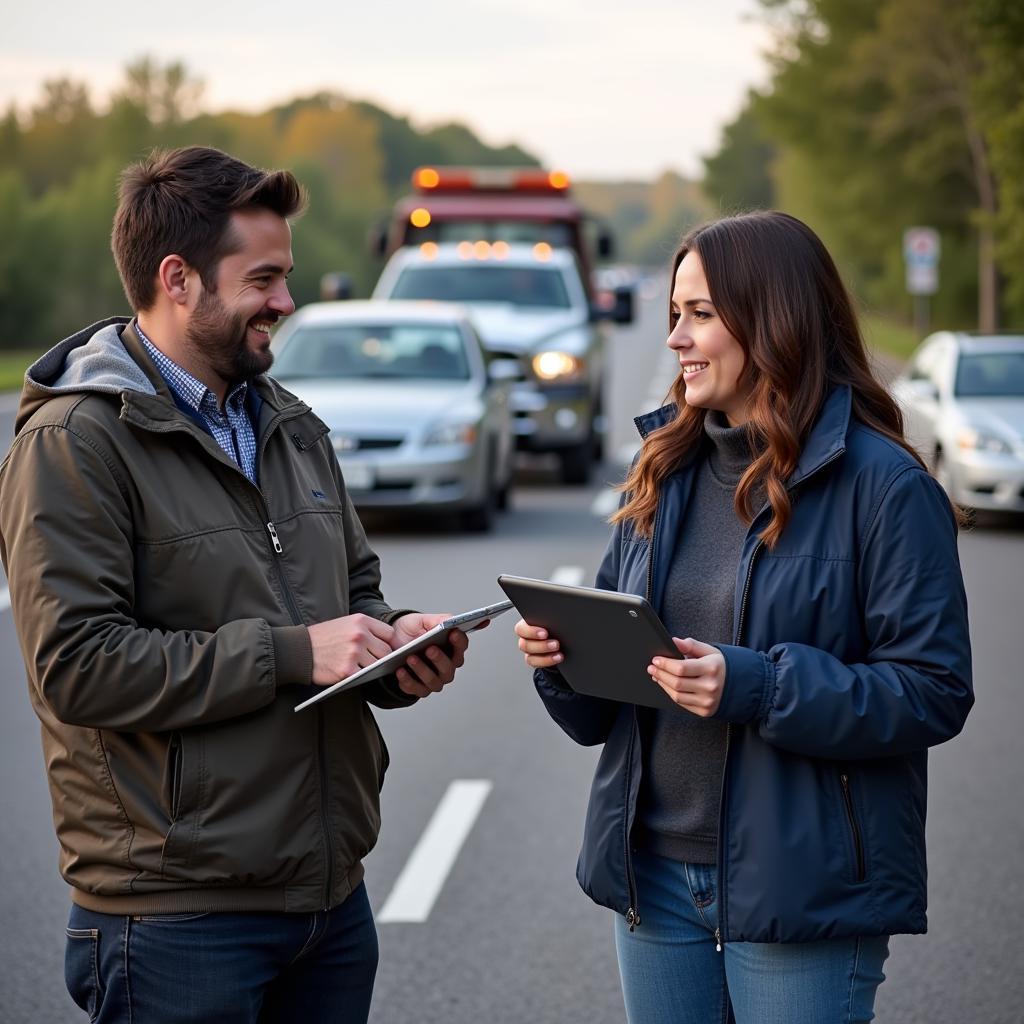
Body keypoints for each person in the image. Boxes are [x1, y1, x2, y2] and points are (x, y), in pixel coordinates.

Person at [0, 145, 474, 1024]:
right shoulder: (74, 443)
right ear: (178, 280)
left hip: (328, 902)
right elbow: (76, 667)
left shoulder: (294, 428)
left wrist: (395, 642)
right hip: (178, 917)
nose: (286, 303)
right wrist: (298, 653)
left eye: (286, 277)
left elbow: (351, 601)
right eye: (264, 279)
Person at [515, 211, 973, 1024]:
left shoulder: (887, 485)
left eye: (699, 316)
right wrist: (564, 660)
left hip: (801, 887)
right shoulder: (661, 469)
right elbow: (600, 717)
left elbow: (933, 689)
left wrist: (756, 685)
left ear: (773, 322)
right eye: (674, 317)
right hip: (652, 880)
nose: (676, 341)